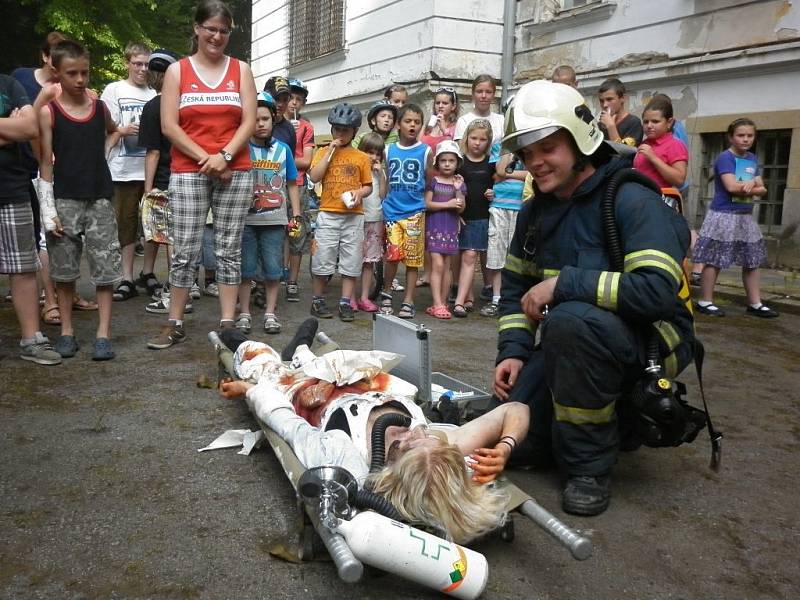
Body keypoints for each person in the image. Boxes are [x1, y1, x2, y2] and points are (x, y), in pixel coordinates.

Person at [494, 80, 694, 516]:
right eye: (526, 154)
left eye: (546, 147)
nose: (535, 163)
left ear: (580, 138)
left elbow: (657, 293)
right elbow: (514, 292)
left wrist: (565, 284)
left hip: (656, 340)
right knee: (509, 425)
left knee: (570, 323)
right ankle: (552, 436)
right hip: (580, 335)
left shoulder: (630, 199)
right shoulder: (535, 212)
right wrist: (512, 353)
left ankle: (588, 467)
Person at [218, 329, 529, 545]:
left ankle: (241, 338)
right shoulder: (440, 451)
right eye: (426, 436)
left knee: (256, 359)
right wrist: (506, 446)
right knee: (309, 355)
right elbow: (515, 409)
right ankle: (300, 346)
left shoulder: (347, 460)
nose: (417, 431)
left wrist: (253, 391)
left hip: (308, 392)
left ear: (393, 472)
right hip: (362, 379)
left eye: (407, 443)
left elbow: (286, 423)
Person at [147, 0, 256, 349]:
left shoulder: (241, 69)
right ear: (197, 29)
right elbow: (169, 126)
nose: (216, 36)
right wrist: (207, 159)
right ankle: (174, 322)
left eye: (223, 31)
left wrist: (224, 156)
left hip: (235, 168)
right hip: (189, 169)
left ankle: (227, 322)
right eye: (210, 28)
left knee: (228, 249)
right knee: (184, 249)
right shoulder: (179, 71)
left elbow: (250, 121)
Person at [38, 40, 123, 361]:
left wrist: (103, 152)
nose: (80, 79)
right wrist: (48, 211)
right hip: (65, 200)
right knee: (64, 270)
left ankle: (103, 334)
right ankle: (67, 332)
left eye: (84, 72)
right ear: (56, 73)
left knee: (105, 269)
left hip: (100, 199)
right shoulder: (50, 112)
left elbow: (113, 131)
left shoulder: (100, 108)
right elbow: (46, 162)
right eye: (71, 73)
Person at [0, 71, 62, 365]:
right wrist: (7, 128)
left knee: (24, 266)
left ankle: (32, 339)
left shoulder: (7, 83)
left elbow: (29, 128)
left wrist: (18, 127)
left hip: (12, 187)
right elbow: (19, 126)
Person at [693, 118, 777, 318]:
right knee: (714, 259)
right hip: (723, 216)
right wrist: (750, 187)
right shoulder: (725, 158)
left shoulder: (752, 159)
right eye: (741, 135)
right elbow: (731, 186)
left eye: (750, 136)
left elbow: (763, 188)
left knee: (752, 259)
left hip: (744, 217)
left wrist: (752, 187)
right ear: (731, 137)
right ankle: (705, 300)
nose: (745, 139)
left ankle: (755, 303)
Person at [235, 92, 301, 335]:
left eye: (265, 119)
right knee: (246, 269)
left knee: (274, 269)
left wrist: (296, 214)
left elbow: (292, 182)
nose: (260, 123)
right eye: (255, 118)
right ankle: (244, 313)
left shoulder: (283, 150)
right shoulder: (241, 148)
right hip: (246, 219)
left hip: (275, 219)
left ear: (273, 120)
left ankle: (270, 313)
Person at [101, 42, 157, 302]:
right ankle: (126, 277)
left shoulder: (154, 94)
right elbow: (105, 127)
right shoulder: (115, 90)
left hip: (149, 170)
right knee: (125, 225)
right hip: (122, 170)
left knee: (151, 225)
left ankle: (148, 272)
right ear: (127, 63)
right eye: (137, 63)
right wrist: (124, 130)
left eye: (146, 64)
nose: (142, 69)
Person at [307, 103, 372, 322]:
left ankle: (346, 302)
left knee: (351, 260)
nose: (340, 134)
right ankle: (317, 300)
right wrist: (329, 152)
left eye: (345, 130)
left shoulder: (361, 157)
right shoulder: (322, 152)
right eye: (337, 129)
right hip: (328, 212)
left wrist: (360, 192)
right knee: (322, 257)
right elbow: (314, 177)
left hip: (353, 216)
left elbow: (368, 185)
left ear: (354, 131)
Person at [379, 103, 433, 318]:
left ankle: (409, 300)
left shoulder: (426, 150)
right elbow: (386, 181)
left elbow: (429, 180)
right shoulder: (388, 150)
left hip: (415, 213)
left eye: (417, 122)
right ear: (398, 125)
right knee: (392, 257)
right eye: (408, 121)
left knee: (413, 259)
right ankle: (387, 293)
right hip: (392, 212)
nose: (413, 125)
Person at [139, 49, 181, 314]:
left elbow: (153, 151)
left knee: (168, 237)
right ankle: (185, 288)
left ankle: (175, 293)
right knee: (183, 236)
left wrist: (147, 190)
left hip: (165, 180)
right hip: (190, 174)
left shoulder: (154, 106)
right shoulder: (186, 102)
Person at [452, 119, 495, 319]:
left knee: (470, 256)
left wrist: (493, 192)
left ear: (489, 141)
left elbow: (499, 183)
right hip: (461, 216)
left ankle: (459, 302)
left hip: (482, 217)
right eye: (474, 138)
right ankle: (467, 297)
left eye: (482, 139)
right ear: (467, 138)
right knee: (460, 257)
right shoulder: (459, 162)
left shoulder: (491, 163)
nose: (477, 142)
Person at [480, 142, 527, 318]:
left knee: (516, 256)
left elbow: (530, 174)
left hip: (521, 208)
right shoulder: (501, 147)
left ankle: (514, 298)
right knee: (496, 253)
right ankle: (497, 298)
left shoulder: (529, 146)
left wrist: (508, 174)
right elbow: (499, 171)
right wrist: (509, 148)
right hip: (499, 206)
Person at [423, 140, 465, 319]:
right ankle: (437, 303)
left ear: (457, 163)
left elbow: (461, 207)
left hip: (450, 229)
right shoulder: (434, 181)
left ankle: (443, 302)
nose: (447, 164)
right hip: (434, 226)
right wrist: (447, 203)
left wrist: (457, 191)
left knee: (447, 267)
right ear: (437, 162)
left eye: (451, 160)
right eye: (443, 160)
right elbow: (427, 204)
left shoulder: (459, 183)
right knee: (437, 265)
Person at [285, 78, 315, 303]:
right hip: (274, 186)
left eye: (299, 99)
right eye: (291, 98)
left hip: (299, 186)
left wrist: (283, 159)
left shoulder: (306, 126)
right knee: (276, 235)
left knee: (296, 233)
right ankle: (275, 277)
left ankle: (293, 281)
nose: (294, 103)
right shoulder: (273, 124)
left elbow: (306, 161)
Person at [354, 133, 387, 313]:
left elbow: (382, 194)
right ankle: (350, 297)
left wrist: (380, 173)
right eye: (369, 152)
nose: (373, 157)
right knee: (352, 260)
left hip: (375, 218)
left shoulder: (379, 172)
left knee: (369, 261)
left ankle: (365, 297)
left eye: (377, 153)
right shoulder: (356, 169)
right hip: (356, 218)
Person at [633, 95, 687, 190]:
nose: (649, 125)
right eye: (646, 122)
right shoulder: (644, 143)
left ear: (669, 122)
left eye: (655, 121)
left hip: (658, 201)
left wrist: (653, 158)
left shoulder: (675, 145)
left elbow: (679, 180)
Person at [453, 75, 505, 144]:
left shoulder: (501, 120)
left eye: (488, 92)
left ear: (493, 95)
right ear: (473, 94)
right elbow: (460, 149)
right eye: (479, 91)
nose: (484, 96)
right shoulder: (464, 121)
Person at [597, 77, 643, 147]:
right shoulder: (601, 125)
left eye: (609, 99)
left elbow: (623, 153)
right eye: (601, 101)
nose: (605, 105)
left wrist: (611, 127)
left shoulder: (633, 122)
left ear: (623, 98)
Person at [420, 87, 460, 151]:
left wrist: (444, 130)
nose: (440, 106)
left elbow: (456, 150)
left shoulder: (458, 127)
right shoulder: (426, 126)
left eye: (445, 103)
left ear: (453, 106)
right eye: (437, 103)